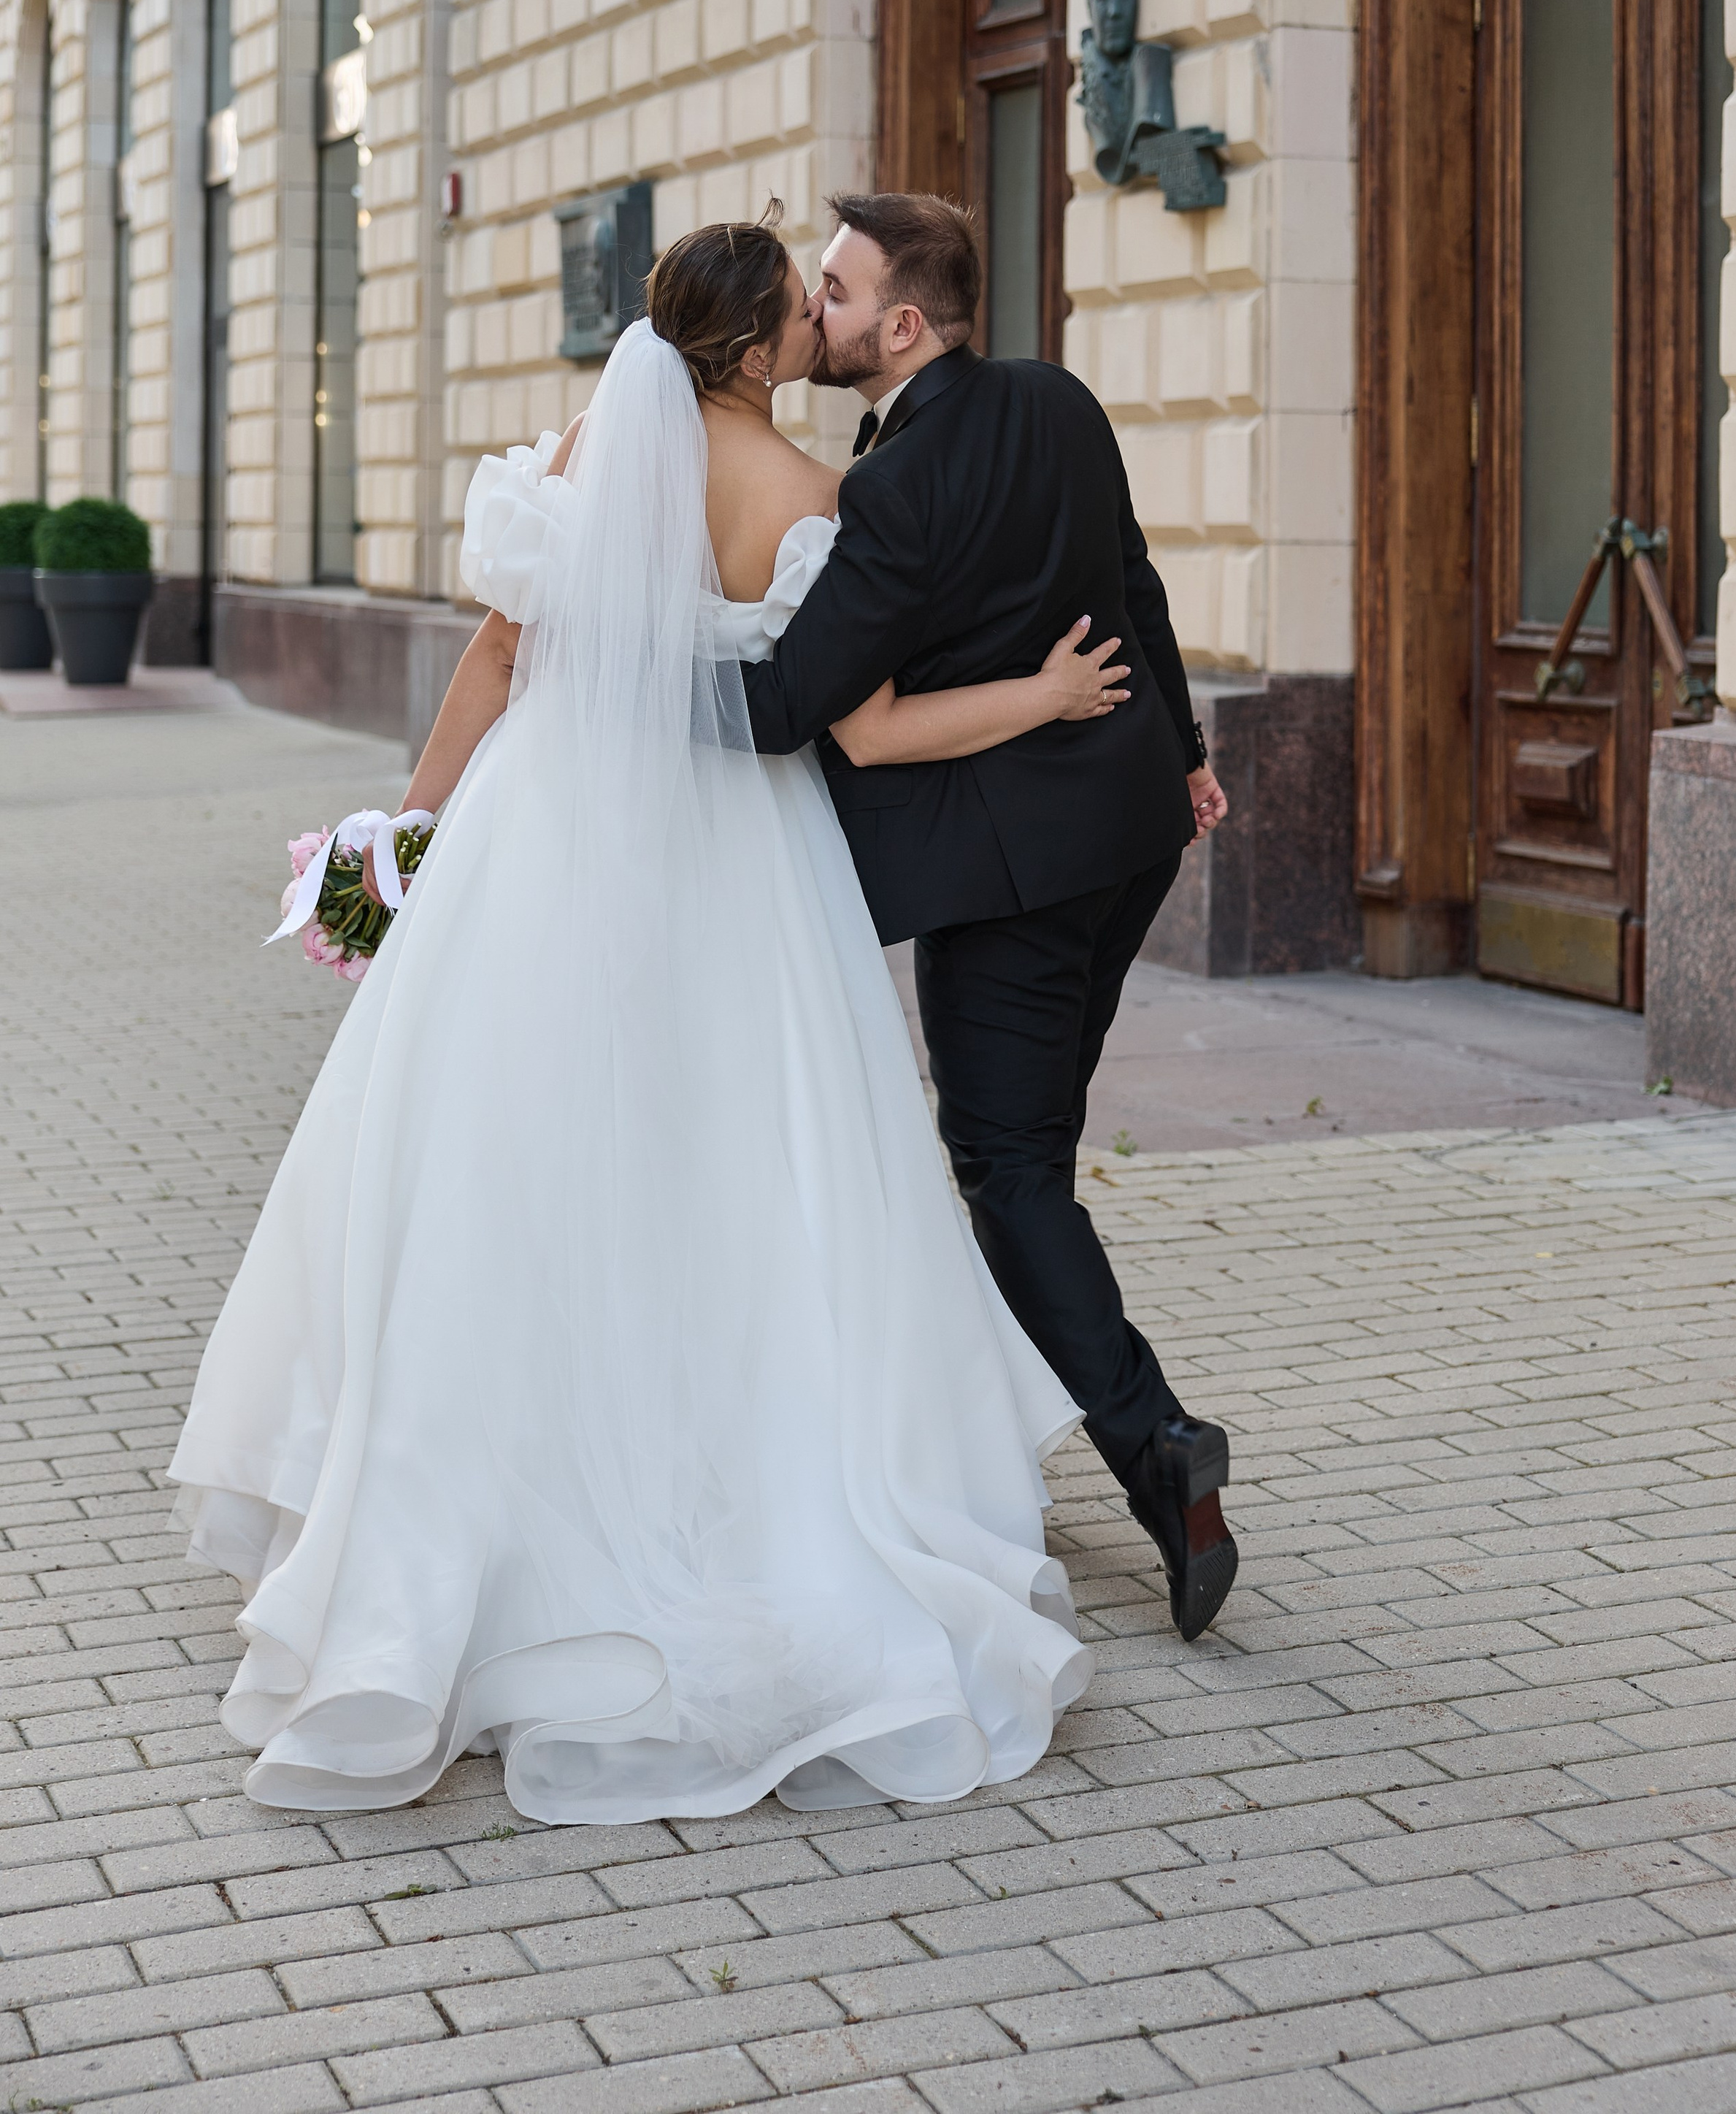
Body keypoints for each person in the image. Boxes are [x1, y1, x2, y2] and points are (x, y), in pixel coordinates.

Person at [168, 211, 1137, 1824]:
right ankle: (725, 1518)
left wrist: (403, 845)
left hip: (535, 848)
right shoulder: (808, 498)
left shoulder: (582, 452)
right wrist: (1042, 699)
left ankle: (446, 1550)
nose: (821, 330)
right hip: (734, 866)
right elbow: (871, 733)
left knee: (495, 1170)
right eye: (804, 311)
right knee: (743, 1183)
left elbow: (496, 651)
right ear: (761, 347)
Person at [738, 193, 1240, 1644]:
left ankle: (1162, 1453)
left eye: (829, 292)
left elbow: (788, 703)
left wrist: (604, 678)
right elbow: (1128, 574)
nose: (810, 312)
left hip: (1010, 873)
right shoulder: (1058, 400)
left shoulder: (894, 488)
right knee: (1036, 1155)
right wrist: (1189, 750)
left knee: (1008, 1169)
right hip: (1129, 827)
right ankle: (996, 1439)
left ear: (900, 324)